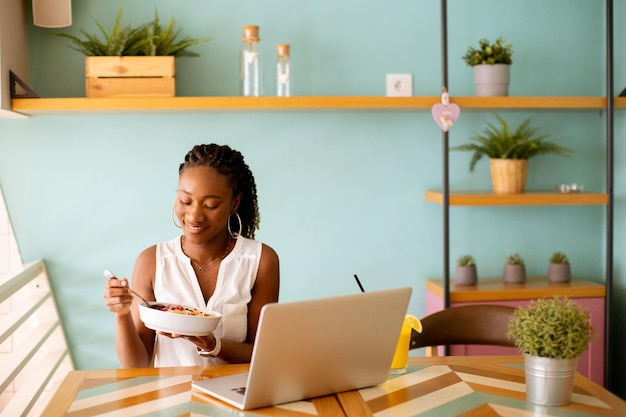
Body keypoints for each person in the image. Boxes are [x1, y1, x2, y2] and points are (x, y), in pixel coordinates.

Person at [103, 143, 280, 368]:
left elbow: (262, 353)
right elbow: (136, 365)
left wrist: (213, 344)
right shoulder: (151, 262)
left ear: (234, 203)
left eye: (211, 205)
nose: (194, 216)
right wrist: (122, 315)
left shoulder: (261, 260)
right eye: (185, 201)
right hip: (171, 395)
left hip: (236, 395)